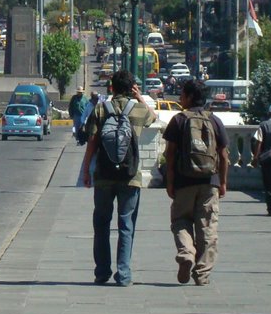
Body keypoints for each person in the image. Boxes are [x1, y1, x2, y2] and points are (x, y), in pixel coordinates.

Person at [81, 69, 157, 287]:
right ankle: (123, 274)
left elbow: (92, 142)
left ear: (111, 87)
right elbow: (153, 118)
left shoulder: (100, 109)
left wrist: (86, 171)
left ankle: (102, 271)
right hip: (130, 175)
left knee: (101, 223)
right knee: (126, 224)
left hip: (104, 175)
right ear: (132, 87)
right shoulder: (139, 109)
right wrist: (140, 97)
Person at [163, 79, 229, 286]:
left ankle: (186, 254)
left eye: (182, 94)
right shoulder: (215, 120)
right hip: (210, 182)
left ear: (190, 97)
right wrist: (223, 182)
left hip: (184, 181)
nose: (180, 98)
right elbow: (224, 155)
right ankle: (202, 274)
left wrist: (170, 182)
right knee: (207, 228)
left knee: (180, 221)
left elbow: (169, 154)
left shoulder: (179, 120)